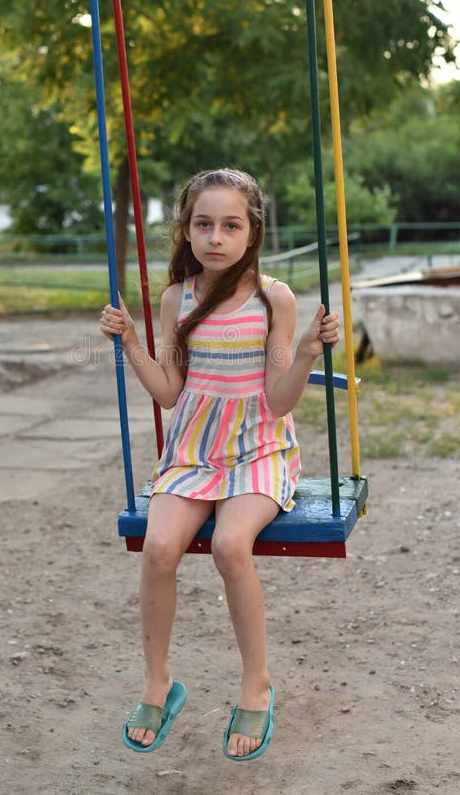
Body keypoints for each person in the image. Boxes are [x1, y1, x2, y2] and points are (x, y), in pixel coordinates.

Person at [99, 168, 340, 761]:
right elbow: (168, 390)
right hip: (193, 449)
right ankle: (159, 682)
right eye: (203, 224)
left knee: (233, 546)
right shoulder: (177, 297)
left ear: (252, 232)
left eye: (230, 225)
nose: (215, 237)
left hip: (258, 448)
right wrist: (132, 341)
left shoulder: (272, 298)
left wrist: (306, 352)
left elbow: (277, 398)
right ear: (187, 229)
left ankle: (255, 686)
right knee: (158, 549)